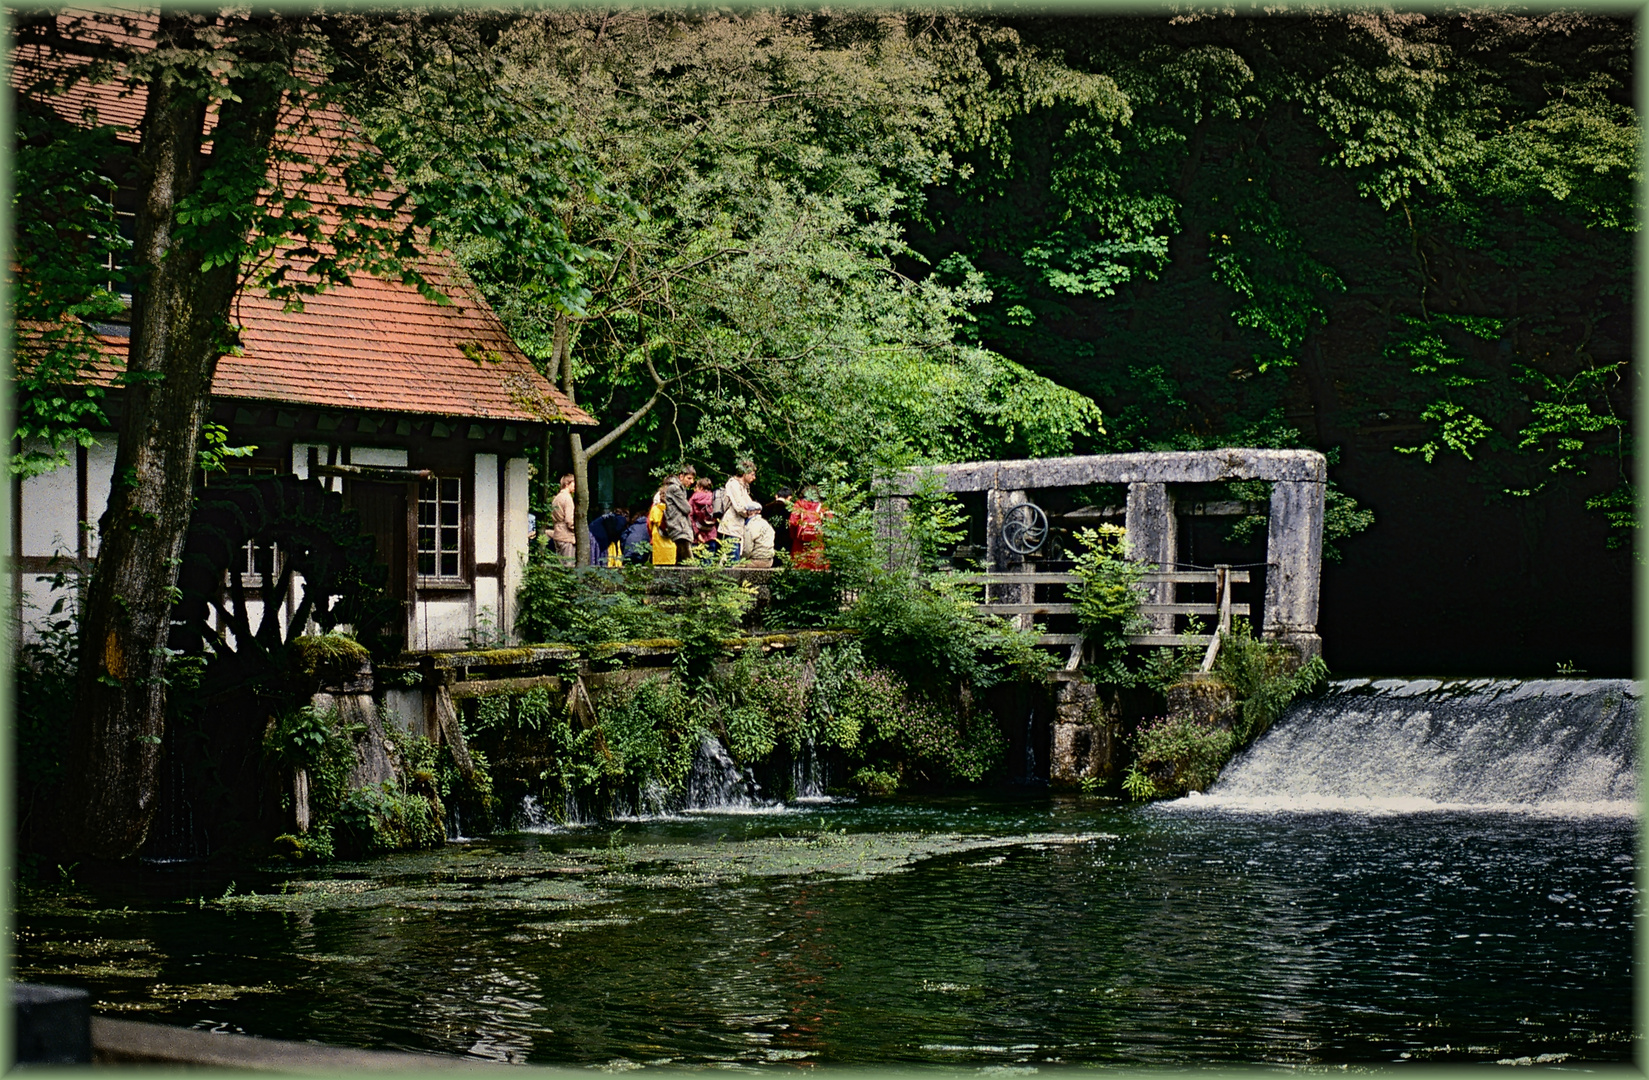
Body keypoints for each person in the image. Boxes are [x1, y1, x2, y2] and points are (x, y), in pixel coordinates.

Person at [662, 464, 696, 564]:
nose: (692, 482)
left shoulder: (679, 489)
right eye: (689, 478)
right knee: (689, 563)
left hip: (680, 527)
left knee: (680, 562)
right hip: (679, 528)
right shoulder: (675, 489)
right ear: (681, 476)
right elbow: (687, 509)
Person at [789, 486, 828, 570]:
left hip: (800, 543)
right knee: (817, 567)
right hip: (817, 542)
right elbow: (830, 524)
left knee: (799, 565)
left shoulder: (799, 504)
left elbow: (793, 522)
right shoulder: (822, 506)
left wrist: (794, 537)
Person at [550, 473, 577, 563]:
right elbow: (570, 521)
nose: (575, 485)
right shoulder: (567, 498)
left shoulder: (556, 498)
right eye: (573, 483)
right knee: (569, 566)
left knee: (560, 566)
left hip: (557, 534)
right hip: (567, 537)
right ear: (567, 484)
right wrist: (577, 530)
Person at [647, 484, 675, 565]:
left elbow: (649, 526)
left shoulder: (655, 509)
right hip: (671, 546)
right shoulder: (674, 510)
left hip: (658, 546)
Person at [689, 476, 719, 548]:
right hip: (712, 535)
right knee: (710, 558)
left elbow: (690, 517)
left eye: (696, 487)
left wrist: (697, 533)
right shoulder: (715, 498)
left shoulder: (693, 499)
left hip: (697, 537)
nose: (694, 490)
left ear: (701, 488)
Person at [764, 487, 793, 555]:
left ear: (776, 496)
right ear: (789, 497)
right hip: (785, 540)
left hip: (768, 538)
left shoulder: (766, 507)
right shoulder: (791, 509)